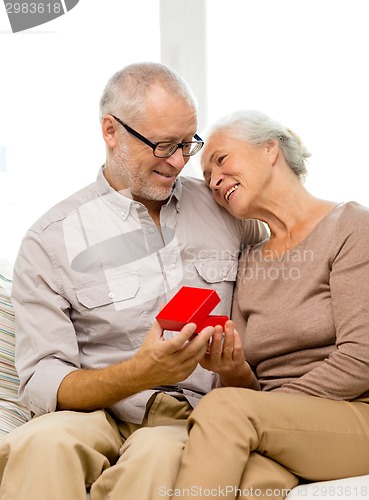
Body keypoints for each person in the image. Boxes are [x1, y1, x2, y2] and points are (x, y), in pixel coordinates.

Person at [0, 66, 266, 500]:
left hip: (193, 415)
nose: (179, 162)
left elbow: (291, 240)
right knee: (39, 444)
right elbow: (42, 379)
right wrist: (140, 373)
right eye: (163, 145)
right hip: (97, 411)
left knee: (159, 457)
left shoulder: (226, 212)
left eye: (186, 144)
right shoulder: (51, 239)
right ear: (110, 131)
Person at [171, 110, 369, 499]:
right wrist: (234, 372)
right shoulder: (248, 262)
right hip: (277, 424)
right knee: (250, 484)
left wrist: (257, 406)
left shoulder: (351, 226)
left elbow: (362, 357)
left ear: (270, 148)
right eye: (208, 178)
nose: (213, 181)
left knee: (224, 409)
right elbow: (247, 385)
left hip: (354, 414)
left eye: (221, 160)